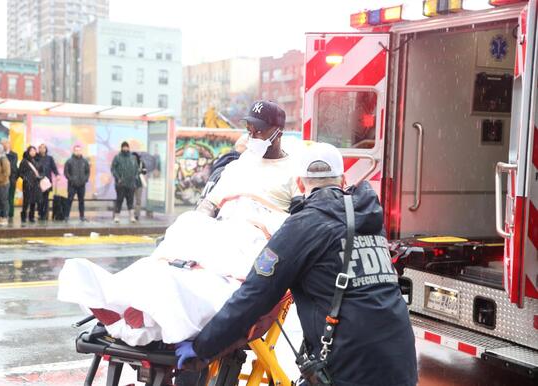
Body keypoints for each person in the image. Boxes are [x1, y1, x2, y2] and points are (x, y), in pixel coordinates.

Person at [176, 143, 418, 386]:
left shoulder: (303, 226)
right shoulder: (370, 218)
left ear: (301, 186)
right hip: (401, 361)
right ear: (343, 181)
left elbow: (254, 295)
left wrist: (202, 348)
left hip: (351, 367)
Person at [196, 100, 299, 217]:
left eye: (259, 131)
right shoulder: (242, 163)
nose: (252, 137)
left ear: (278, 133)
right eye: (250, 131)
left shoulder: (294, 171)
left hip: (263, 231)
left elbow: (298, 220)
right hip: (226, 226)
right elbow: (210, 203)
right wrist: (201, 220)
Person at [111, 141, 139, 223]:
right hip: (121, 183)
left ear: (128, 148)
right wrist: (118, 178)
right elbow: (113, 168)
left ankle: (131, 217)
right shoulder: (117, 157)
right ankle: (117, 216)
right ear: (122, 148)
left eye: (127, 147)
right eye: (124, 147)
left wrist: (135, 178)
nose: (125, 148)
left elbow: (137, 169)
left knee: (130, 200)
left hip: (131, 183)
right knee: (119, 200)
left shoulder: (133, 158)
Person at [64, 145, 90, 221]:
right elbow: (66, 172)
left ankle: (82, 216)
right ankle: (66, 216)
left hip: (82, 185)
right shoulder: (69, 161)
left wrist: (85, 180)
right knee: (69, 200)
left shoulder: (84, 161)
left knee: (81, 201)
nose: (78, 152)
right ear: (73, 151)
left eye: (79, 150)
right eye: (76, 150)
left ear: (81, 151)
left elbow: (87, 172)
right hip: (72, 185)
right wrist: (71, 179)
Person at [18, 146, 43, 223]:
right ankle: (23, 216)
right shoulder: (24, 161)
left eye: (34, 150)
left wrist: (41, 176)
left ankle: (31, 216)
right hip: (27, 184)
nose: (33, 152)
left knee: (34, 201)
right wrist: (26, 178)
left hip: (36, 183)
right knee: (26, 201)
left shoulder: (38, 160)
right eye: (31, 151)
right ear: (28, 152)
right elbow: (20, 173)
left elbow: (42, 171)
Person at [36, 143, 60, 221]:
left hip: (47, 181)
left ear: (46, 149)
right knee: (39, 198)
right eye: (40, 148)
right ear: (38, 149)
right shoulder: (36, 158)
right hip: (38, 181)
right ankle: (40, 213)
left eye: (44, 148)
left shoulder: (50, 158)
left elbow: (54, 168)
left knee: (45, 198)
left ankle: (45, 214)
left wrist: (57, 175)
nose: (42, 149)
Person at [1, 139, 19, 221]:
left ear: (9, 144)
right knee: (2, 197)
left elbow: (12, 166)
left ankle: (10, 213)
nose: (4, 145)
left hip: (11, 179)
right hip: (1, 179)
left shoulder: (14, 154)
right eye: (2, 144)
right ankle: (3, 213)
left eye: (5, 144)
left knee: (10, 197)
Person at [132, 151, 148, 221]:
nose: (134, 159)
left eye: (135, 157)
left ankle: (137, 215)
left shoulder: (141, 163)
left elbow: (145, 171)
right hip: (131, 184)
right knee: (131, 200)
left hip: (139, 184)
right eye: (132, 158)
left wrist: (140, 171)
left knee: (138, 200)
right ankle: (131, 214)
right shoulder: (129, 164)